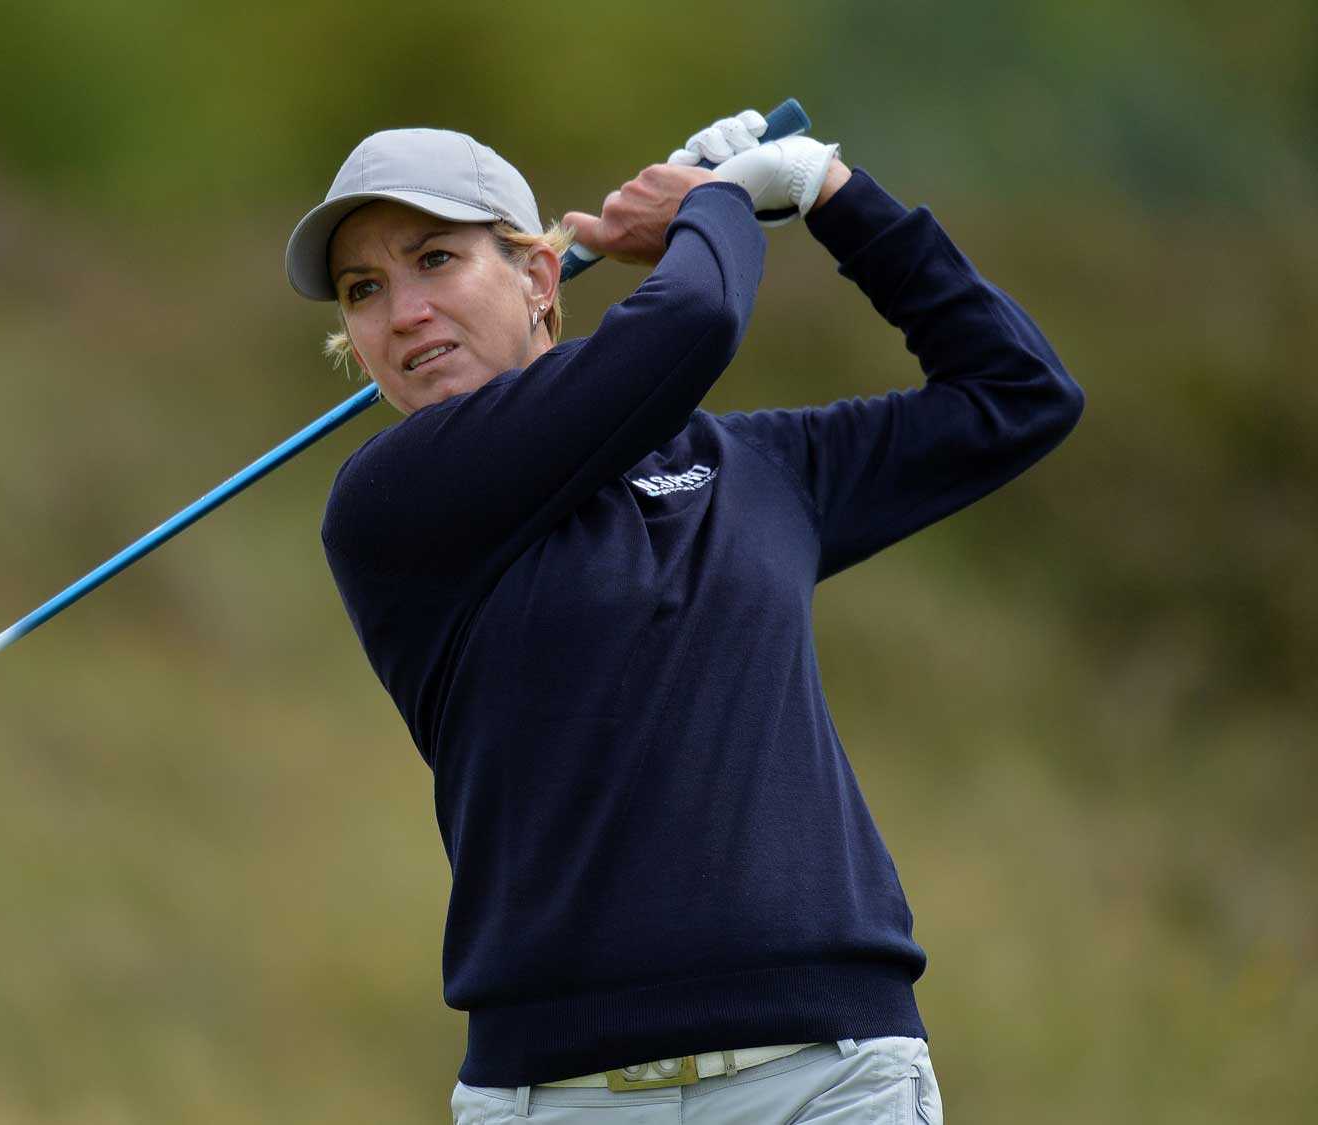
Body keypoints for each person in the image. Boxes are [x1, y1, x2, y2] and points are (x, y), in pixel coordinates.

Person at [283, 113, 1083, 1123]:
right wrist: (717, 203)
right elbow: (689, 323)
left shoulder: (757, 471)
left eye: (433, 259)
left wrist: (829, 191)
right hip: (559, 1098)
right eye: (364, 290)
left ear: (539, 278)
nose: (400, 312)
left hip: (827, 1076)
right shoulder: (391, 507)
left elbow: (1016, 393)